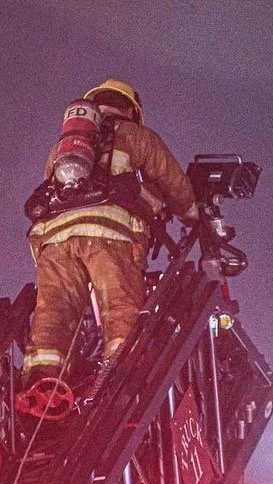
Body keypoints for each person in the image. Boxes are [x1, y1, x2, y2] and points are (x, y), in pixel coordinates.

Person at [22, 79, 201, 389]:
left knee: (53, 313)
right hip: (111, 234)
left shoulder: (59, 149)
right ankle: (117, 380)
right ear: (130, 109)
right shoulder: (135, 135)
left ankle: (42, 385)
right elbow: (173, 182)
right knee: (121, 310)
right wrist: (192, 216)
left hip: (56, 239)